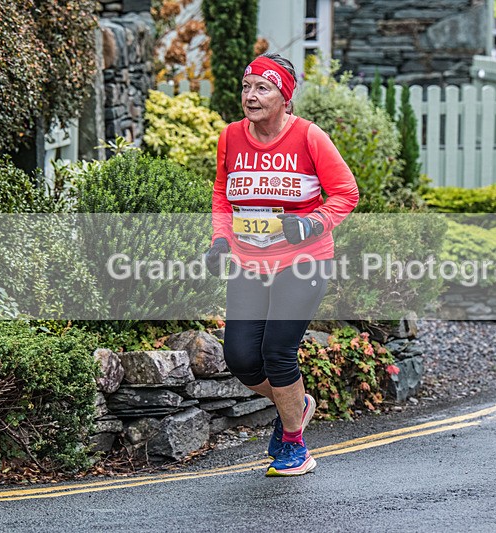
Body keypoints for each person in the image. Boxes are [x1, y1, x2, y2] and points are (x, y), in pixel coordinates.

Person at [206, 52, 359, 476]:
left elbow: (347, 193)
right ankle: (298, 404)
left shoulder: (310, 137)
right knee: (240, 358)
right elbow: (222, 195)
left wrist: (312, 223)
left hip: (303, 262)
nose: (250, 96)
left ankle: (295, 446)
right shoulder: (231, 137)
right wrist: (221, 239)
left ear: (284, 97)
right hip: (249, 262)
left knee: (277, 352)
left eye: (262, 88)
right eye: (246, 86)